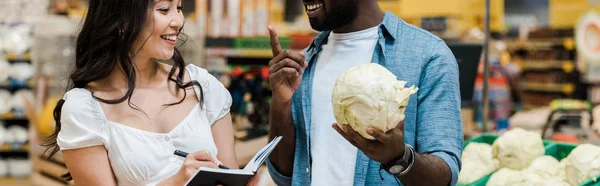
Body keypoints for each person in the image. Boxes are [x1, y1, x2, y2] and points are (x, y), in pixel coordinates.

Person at [41, 0, 244, 185]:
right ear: (122, 20)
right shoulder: (84, 110)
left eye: (179, 8)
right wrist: (175, 181)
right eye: (164, 10)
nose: (178, 21)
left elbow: (229, 175)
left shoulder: (203, 86)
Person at [266, 0, 463, 185]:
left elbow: (445, 175)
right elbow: (284, 176)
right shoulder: (304, 63)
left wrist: (400, 158)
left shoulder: (428, 56)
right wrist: (281, 104)